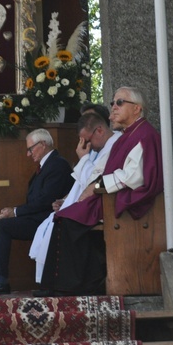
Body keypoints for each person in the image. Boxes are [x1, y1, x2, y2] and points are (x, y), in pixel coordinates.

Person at [40, 86, 164, 295]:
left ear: (137, 109)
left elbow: (134, 176)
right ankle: (66, 284)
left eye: (120, 103)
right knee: (63, 217)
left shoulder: (144, 134)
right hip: (111, 195)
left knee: (69, 221)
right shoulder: (127, 135)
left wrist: (97, 187)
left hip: (129, 199)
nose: (113, 108)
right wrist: (95, 186)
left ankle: (71, 286)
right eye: (112, 103)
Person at [0, 129, 74, 296]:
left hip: (48, 220)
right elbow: (35, 201)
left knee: (1, 226)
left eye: (30, 149)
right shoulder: (46, 165)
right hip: (38, 218)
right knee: (0, 224)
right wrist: (13, 211)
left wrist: (16, 211)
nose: (28, 154)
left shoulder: (57, 164)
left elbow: (45, 200)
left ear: (43, 144)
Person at [29, 112, 121, 286]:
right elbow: (83, 184)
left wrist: (83, 158)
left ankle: (68, 283)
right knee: (56, 219)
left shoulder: (114, 145)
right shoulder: (101, 148)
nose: (87, 146)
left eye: (87, 140)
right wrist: (66, 200)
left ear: (99, 131)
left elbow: (93, 182)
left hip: (104, 204)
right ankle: (53, 283)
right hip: (91, 201)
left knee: (63, 222)